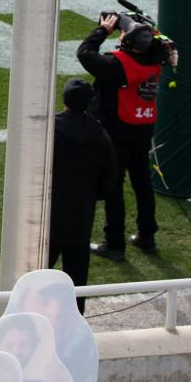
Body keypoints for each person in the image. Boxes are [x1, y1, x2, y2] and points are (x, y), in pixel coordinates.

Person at [77, 10, 174, 259]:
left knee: (114, 187)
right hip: (143, 129)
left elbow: (85, 53)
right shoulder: (158, 56)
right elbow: (158, 43)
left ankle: (114, 243)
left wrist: (102, 30)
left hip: (117, 132)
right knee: (143, 184)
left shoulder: (117, 65)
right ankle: (147, 236)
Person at [48, 79, 116, 302]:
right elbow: (109, 183)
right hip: (81, 215)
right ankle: (74, 328)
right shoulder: (100, 134)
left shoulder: (49, 130)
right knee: (77, 282)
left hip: (49, 213)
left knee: (36, 277)